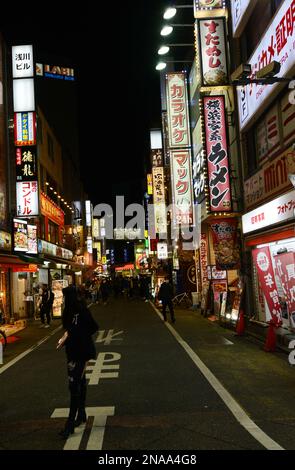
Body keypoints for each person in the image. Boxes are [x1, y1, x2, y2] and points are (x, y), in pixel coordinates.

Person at [57, 285, 99, 438]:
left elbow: (94, 327)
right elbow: (69, 329)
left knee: (74, 386)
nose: (65, 299)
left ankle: (70, 424)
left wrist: (79, 335)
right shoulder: (68, 311)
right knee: (79, 382)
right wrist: (66, 338)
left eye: (66, 297)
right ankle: (81, 414)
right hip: (72, 352)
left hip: (81, 352)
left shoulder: (81, 310)